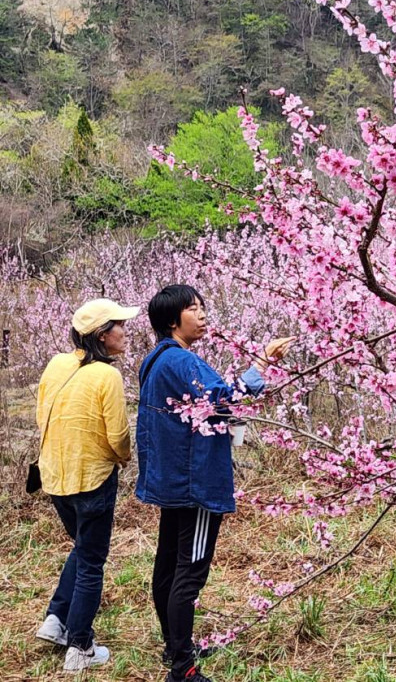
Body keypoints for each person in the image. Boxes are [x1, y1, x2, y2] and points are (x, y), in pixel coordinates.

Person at [136, 284, 293, 682]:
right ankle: (182, 668)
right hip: (196, 483)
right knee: (189, 572)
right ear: (173, 320)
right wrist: (262, 363)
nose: (202, 314)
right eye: (192, 309)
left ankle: (176, 646)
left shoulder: (156, 360)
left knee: (169, 565)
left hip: (172, 478)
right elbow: (225, 401)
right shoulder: (182, 363)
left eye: (203, 306)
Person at [34, 298, 139, 671]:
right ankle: (80, 647)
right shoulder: (107, 376)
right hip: (93, 479)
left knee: (83, 548)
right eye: (118, 326)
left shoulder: (57, 364)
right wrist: (124, 458)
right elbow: (119, 434)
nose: (125, 332)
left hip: (55, 478)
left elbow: (40, 415)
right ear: (101, 335)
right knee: (93, 562)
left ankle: (55, 619)